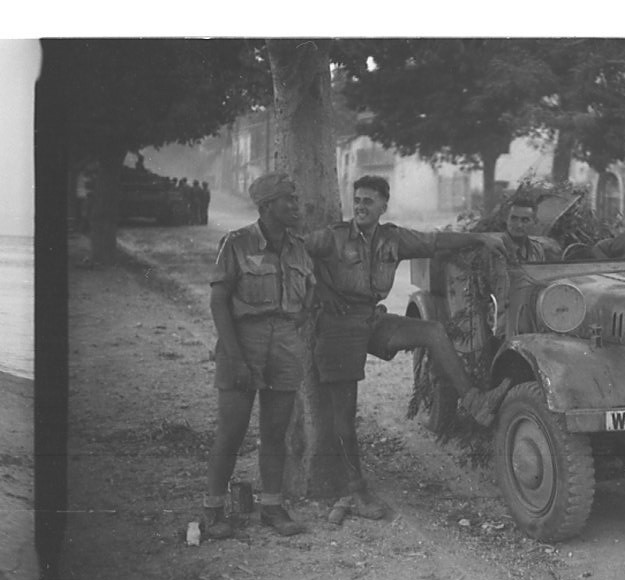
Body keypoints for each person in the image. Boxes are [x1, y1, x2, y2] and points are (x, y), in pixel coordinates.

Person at [307, 175, 513, 520]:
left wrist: (480, 237)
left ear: (383, 206)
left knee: (433, 331)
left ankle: (474, 401)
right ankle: (355, 491)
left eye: (368, 201)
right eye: (357, 200)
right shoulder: (332, 237)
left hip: (371, 320)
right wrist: (320, 293)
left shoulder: (393, 238)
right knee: (344, 414)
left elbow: (435, 242)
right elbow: (295, 251)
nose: (360, 206)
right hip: (337, 328)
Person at [202, 172, 316, 540]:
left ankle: (272, 508)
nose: (296, 206)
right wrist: (236, 358)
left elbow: (308, 296)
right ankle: (213, 511)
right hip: (242, 341)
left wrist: (296, 320)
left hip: (284, 344)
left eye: (295, 199)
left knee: (275, 432)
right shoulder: (237, 243)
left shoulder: (299, 248)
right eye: (288, 200)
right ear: (267, 206)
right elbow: (218, 302)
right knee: (231, 433)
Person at [500, 197, 546, 263]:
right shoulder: (497, 248)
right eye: (514, 219)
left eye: (525, 220)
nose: (519, 225)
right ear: (506, 219)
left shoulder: (537, 249)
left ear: (535, 222)